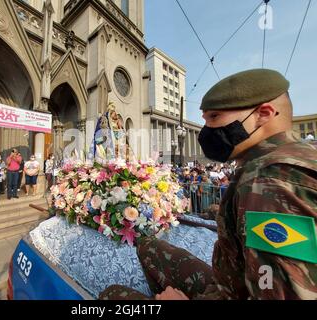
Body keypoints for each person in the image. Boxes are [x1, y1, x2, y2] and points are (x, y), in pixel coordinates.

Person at [100, 69, 317, 300]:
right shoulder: (280, 159)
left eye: (214, 117)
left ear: (263, 114)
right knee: (149, 247)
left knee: (112, 296)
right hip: (231, 286)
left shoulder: (271, 181)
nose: (207, 131)